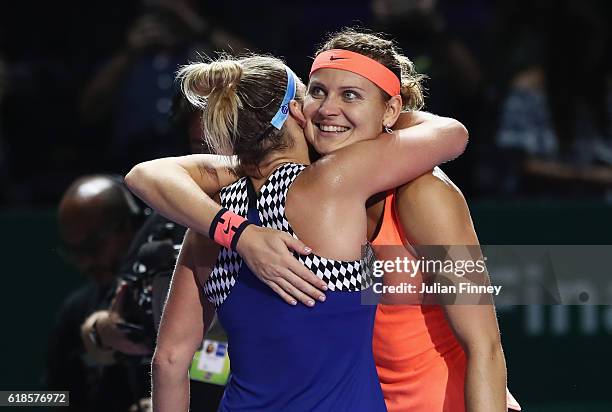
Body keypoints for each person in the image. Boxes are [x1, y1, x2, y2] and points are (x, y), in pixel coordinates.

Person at [127, 28, 516, 411]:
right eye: (317, 92)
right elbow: (157, 175)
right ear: (296, 109)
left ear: (393, 110)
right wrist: (243, 235)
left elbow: (485, 348)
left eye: (350, 95)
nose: (328, 108)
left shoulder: (425, 195)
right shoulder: (314, 180)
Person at [48, 175, 149, 411]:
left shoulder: (177, 296)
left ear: (129, 225)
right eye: (75, 251)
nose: (85, 262)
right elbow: (54, 396)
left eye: (93, 245)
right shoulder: (75, 312)